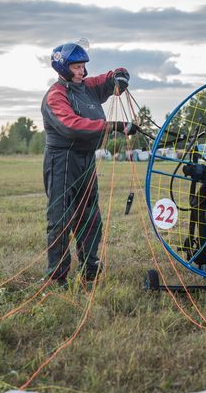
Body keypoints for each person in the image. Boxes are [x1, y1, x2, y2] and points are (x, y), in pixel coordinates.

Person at [41, 41, 137, 284]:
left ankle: (90, 266)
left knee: (90, 215)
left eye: (83, 66)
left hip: (86, 161)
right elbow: (70, 125)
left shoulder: (86, 87)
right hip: (62, 161)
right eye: (76, 67)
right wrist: (111, 126)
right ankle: (57, 276)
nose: (82, 71)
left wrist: (120, 75)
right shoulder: (56, 95)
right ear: (62, 68)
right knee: (61, 218)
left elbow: (107, 80)